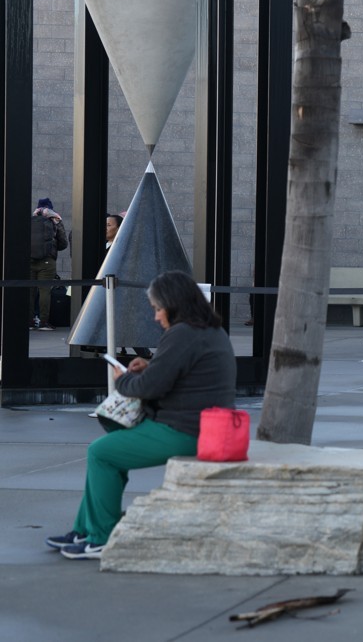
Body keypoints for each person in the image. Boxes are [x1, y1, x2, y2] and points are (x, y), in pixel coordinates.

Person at [46, 270, 236, 559]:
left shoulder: (183, 333)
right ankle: (85, 529)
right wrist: (149, 365)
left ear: (174, 305)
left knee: (101, 453)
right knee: (108, 455)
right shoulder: (209, 331)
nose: (156, 316)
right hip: (204, 428)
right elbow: (176, 374)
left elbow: (149, 388)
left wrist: (121, 378)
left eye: (158, 308)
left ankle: (101, 537)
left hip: (185, 431)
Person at [29, 197, 69, 331]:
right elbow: (63, 243)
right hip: (47, 261)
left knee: (30, 291)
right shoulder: (55, 220)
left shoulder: (31, 219)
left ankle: (29, 321)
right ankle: (43, 322)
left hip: (29, 260)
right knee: (44, 291)